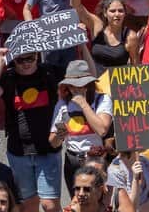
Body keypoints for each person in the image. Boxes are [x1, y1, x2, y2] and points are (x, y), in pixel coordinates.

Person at [0, 45, 63, 212]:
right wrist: (0, 61)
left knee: (50, 205)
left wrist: (82, 46)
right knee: (28, 205)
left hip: (47, 149)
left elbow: (87, 79)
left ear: (37, 56)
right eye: (20, 60)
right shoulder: (8, 78)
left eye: (30, 58)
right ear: (13, 60)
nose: (26, 63)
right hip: (19, 151)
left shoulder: (49, 73)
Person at [48, 59, 113, 192]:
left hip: (95, 160)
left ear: (89, 84)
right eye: (72, 86)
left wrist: (83, 104)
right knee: (77, 203)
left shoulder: (102, 99)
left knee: (98, 202)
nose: (76, 89)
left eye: (81, 85)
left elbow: (102, 130)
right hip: (73, 161)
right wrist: (60, 135)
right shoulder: (62, 104)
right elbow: (53, 143)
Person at [71, 0, 139, 70]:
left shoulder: (131, 36)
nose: (117, 14)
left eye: (120, 11)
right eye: (112, 11)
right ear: (105, 13)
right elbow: (76, 6)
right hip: (96, 83)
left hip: (118, 85)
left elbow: (136, 67)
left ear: (125, 13)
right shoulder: (97, 26)